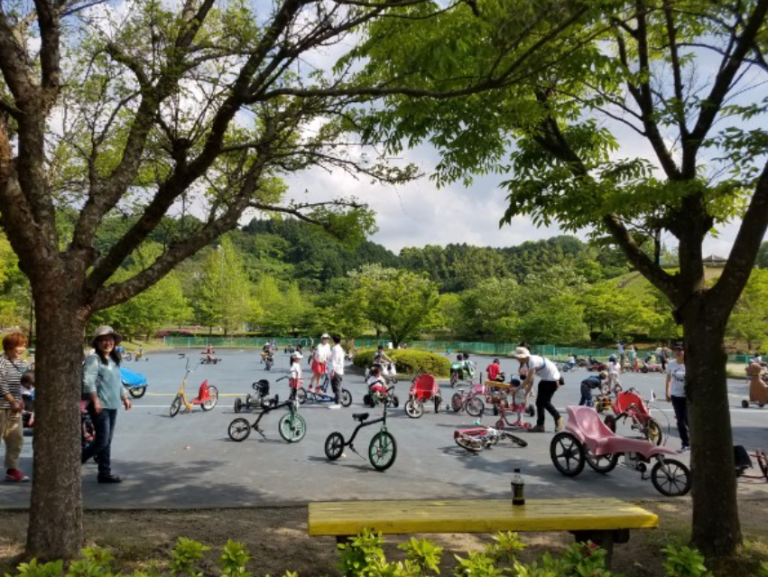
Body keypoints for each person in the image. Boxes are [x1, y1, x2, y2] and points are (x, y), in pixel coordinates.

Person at [81, 326, 132, 483]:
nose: (107, 343)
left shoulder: (114, 360)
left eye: (110, 340)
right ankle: (75, 461)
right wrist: (95, 400)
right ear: (97, 343)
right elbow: (88, 381)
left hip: (112, 404)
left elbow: (117, 382)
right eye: (103, 340)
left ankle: (104, 473)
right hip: (99, 405)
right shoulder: (93, 359)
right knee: (102, 440)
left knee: (107, 441)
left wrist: (124, 397)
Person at [0, 332, 30, 482]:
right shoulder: (1, 361)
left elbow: (18, 384)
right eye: (19, 345)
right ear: (9, 346)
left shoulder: (19, 363)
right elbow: (1, 384)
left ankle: (12, 470)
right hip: (2, 406)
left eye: (24, 345)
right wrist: (12, 400)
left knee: (16, 438)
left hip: (14, 407)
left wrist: (20, 400)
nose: (21, 348)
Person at [514, 346, 563, 433]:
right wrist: (525, 395)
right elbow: (531, 381)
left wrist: (517, 389)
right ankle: (540, 425)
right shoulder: (528, 362)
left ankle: (558, 417)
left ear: (522, 357)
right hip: (546, 380)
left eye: (517, 357)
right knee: (539, 402)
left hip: (552, 380)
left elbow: (528, 379)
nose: (516, 359)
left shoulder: (532, 361)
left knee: (545, 402)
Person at [665, 341, 689, 453]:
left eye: (680, 350)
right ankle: (685, 443)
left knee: (689, 420)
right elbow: (668, 379)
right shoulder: (671, 364)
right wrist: (667, 392)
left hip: (688, 396)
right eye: (676, 350)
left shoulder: (689, 364)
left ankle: (696, 442)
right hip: (676, 395)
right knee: (680, 421)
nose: (678, 352)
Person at [328, 334, 344, 409]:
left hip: (336, 370)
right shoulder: (340, 348)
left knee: (336, 386)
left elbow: (334, 360)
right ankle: (337, 400)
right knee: (337, 385)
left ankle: (338, 403)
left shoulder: (335, 348)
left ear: (333, 340)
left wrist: (332, 371)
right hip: (340, 369)